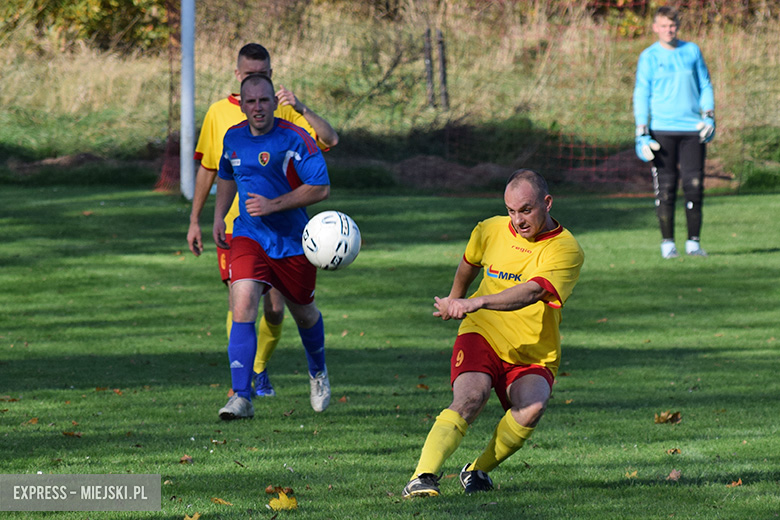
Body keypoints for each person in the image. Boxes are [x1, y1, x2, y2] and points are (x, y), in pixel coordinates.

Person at [402, 169, 584, 498]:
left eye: (526, 210)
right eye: (511, 211)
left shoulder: (566, 249)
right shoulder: (489, 229)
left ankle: (477, 470)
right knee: (472, 395)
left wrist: (478, 300)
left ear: (547, 203)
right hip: (481, 332)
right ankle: (422, 476)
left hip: (533, 350)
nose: (517, 220)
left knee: (532, 408)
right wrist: (455, 299)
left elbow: (531, 292)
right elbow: (469, 261)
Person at [187, 43, 338, 408]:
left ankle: (317, 372)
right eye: (251, 102)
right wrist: (218, 215)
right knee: (242, 305)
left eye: (264, 101)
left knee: (302, 313)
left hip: (291, 241)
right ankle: (241, 395)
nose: (258, 107)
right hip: (248, 235)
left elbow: (321, 187)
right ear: (241, 103)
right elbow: (224, 173)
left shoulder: (294, 138)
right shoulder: (233, 136)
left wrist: (274, 204)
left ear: (274, 101)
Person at [633, 6, 715, 259]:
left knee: (694, 185)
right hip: (662, 130)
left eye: (673, 25)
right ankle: (668, 243)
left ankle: (694, 243)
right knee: (666, 188)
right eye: (664, 26)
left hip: (692, 130)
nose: (669, 30)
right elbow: (641, 93)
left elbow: (705, 84)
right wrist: (641, 131)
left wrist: (709, 116)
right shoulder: (648, 56)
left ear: (677, 26)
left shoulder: (691, 51)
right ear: (655, 27)